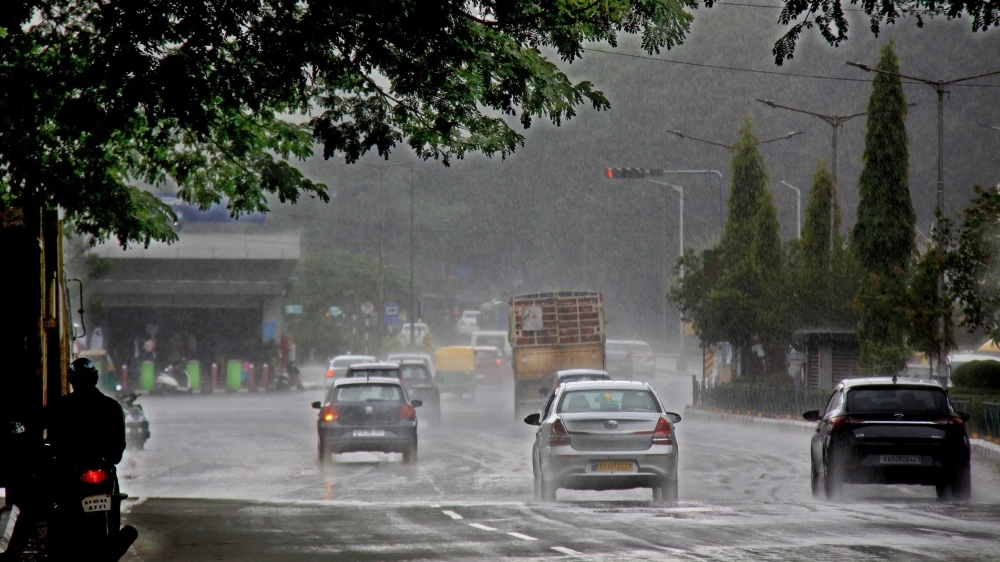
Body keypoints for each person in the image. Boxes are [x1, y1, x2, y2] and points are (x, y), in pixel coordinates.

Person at [47, 357, 127, 466]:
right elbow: (118, 443)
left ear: (71, 380)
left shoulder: (60, 405)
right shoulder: (111, 406)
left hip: (67, 465)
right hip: (100, 466)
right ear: (95, 378)